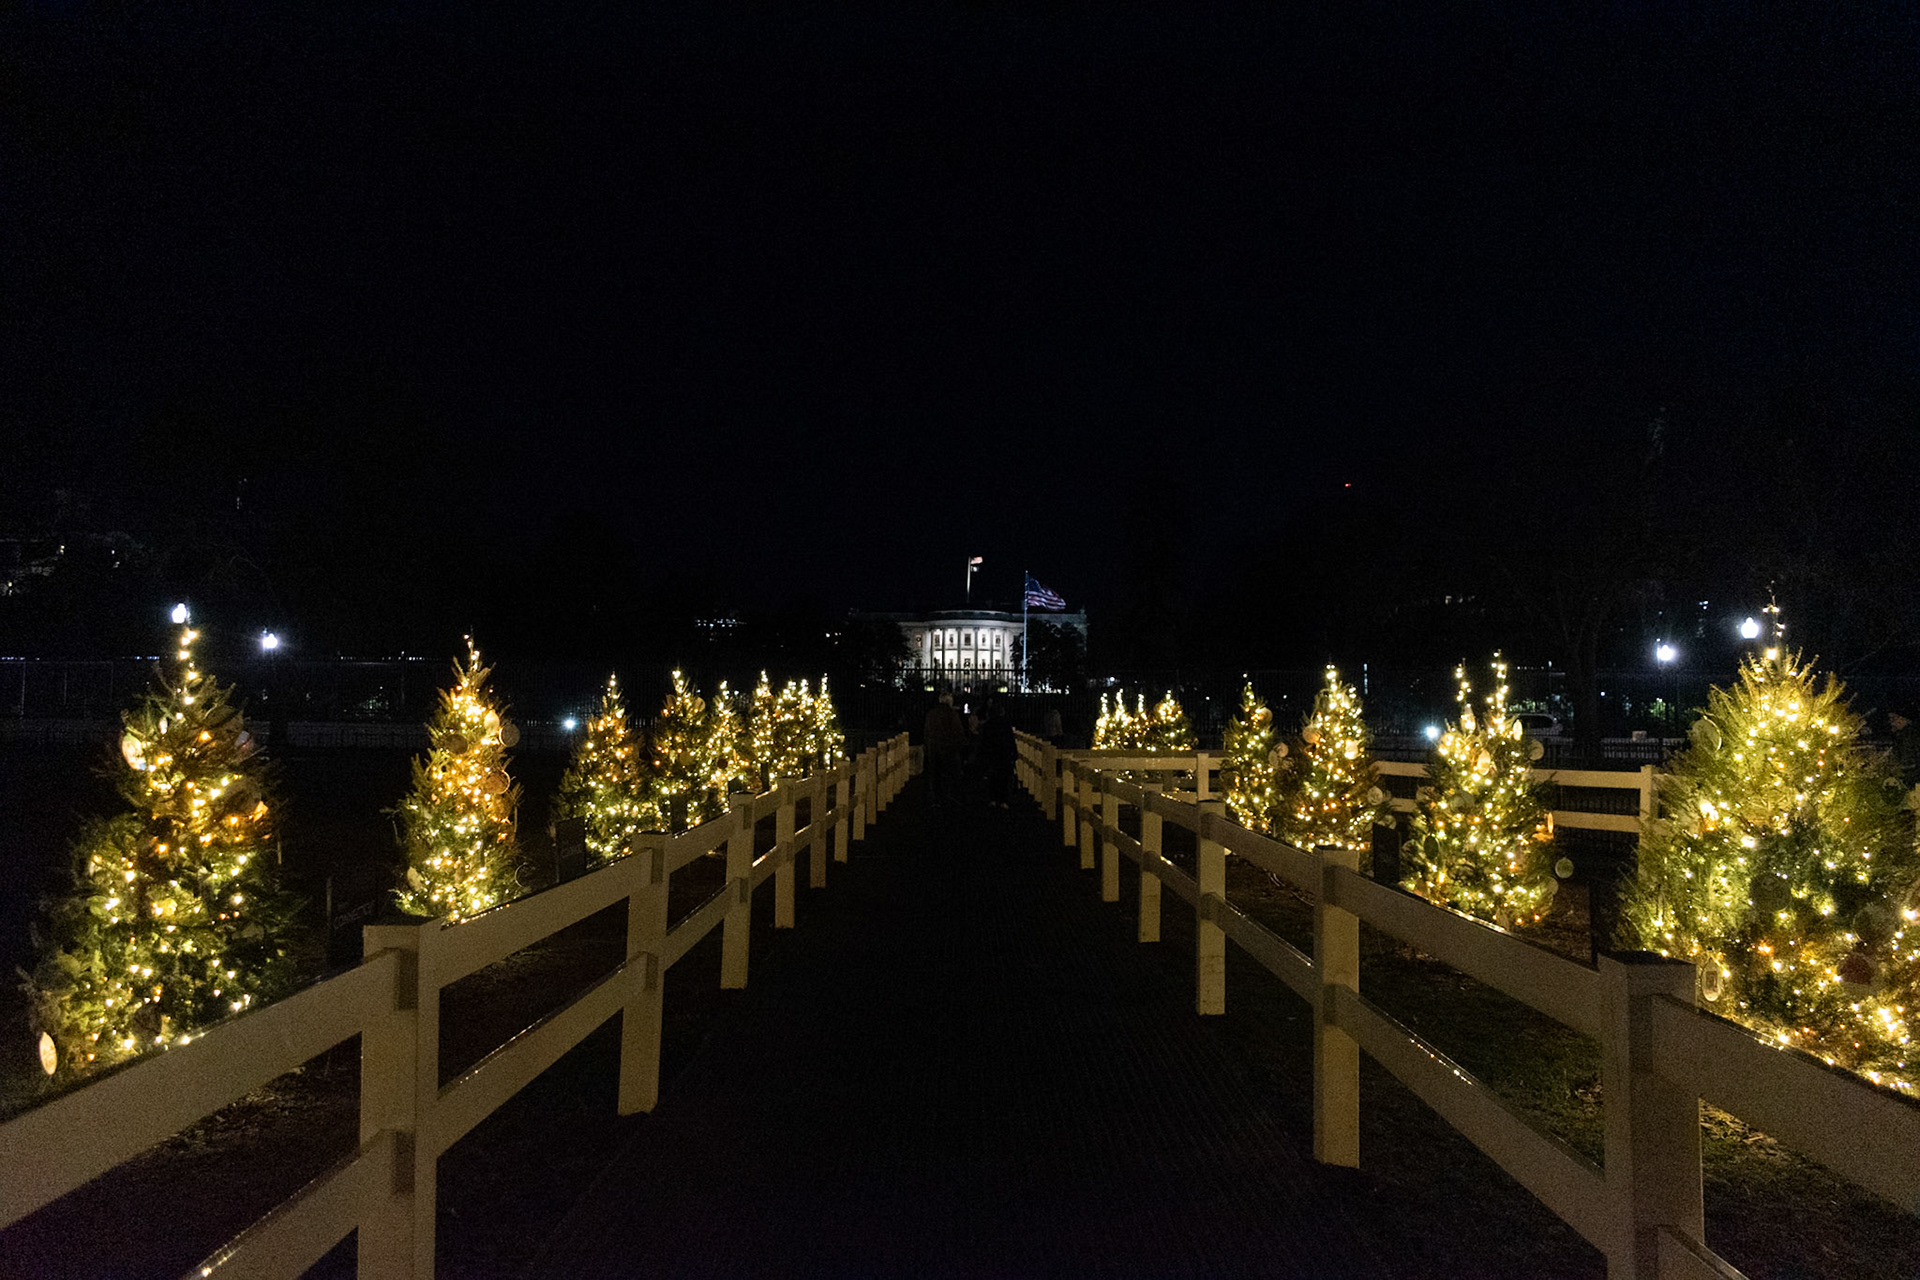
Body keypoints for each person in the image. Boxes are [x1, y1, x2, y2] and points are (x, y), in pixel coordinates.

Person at [923, 693, 968, 807]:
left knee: (935, 774)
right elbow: (958, 731)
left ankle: (936, 798)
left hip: (934, 747)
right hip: (949, 748)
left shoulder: (931, 714)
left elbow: (927, 732)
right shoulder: (952, 714)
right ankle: (950, 796)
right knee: (952, 773)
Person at [980, 699, 1017, 809]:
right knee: (1004, 778)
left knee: (993, 777)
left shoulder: (988, 725)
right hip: (1004, 754)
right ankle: (1003, 800)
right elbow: (1011, 740)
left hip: (992, 753)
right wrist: (1014, 753)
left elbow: (984, 741)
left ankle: (993, 799)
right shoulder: (1006, 724)